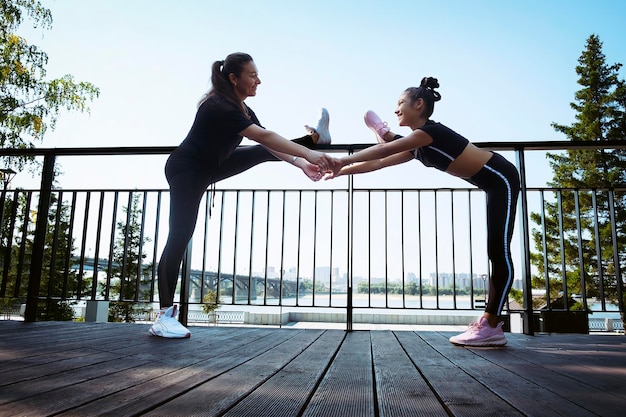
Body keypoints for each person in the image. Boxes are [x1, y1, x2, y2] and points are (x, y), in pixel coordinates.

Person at [150, 52, 334, 338]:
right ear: (234, 78)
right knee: (179, 237)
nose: (258, 80)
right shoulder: (218, 106)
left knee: (261, 150)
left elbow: (269, 142)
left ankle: (316, 138)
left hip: (213, 166)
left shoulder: (242, 109)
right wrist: (309, 152)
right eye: (252, 75)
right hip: (187, 170)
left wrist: (301, 163)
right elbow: (265, 137)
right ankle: (163, 317)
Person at [325, 77, 520, 347]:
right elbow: (379, 162)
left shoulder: (430, 132)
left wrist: (339, 161)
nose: (396, 109)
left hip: (501, 177)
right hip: (491, 184)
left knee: (498, 251)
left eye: (400, 103)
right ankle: (490, 324)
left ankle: (491, 324)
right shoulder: (418, 146)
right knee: (495, 251)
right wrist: (338, 172)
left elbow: (384, 150)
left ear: (418, 104)